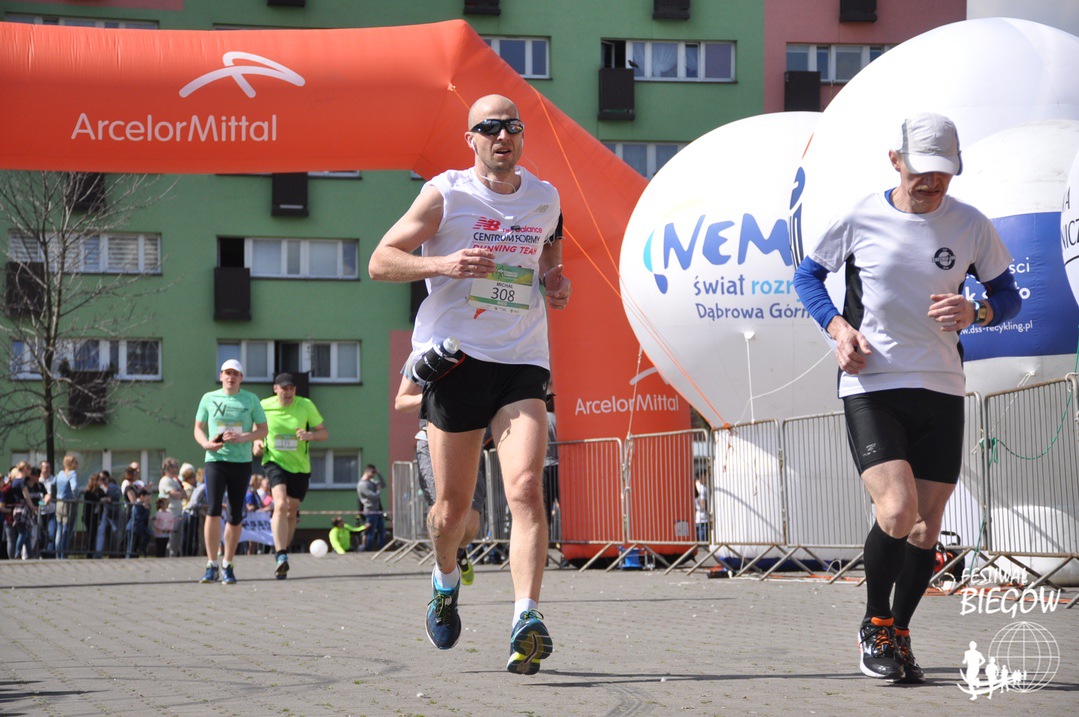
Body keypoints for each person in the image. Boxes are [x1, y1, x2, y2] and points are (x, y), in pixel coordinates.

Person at [792, 112, 1021, 684]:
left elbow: (1007, 295)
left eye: (943, 171)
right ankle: (874, 624)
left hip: (941, 385)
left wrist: (978, 311)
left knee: (925, 526)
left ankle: (899, 633)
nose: (932, 182)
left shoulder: (970, 224)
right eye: (921, 170)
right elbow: (807, 277)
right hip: (873, 383)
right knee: (896, 510)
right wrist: (837, 328)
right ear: (896, 161)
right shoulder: (859, 216)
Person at [368, 93, 570, 674]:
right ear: (472, 139)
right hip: (458, 360)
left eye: (513, 126)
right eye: (490, 127)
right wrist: (443, 264)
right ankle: (445, 578)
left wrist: (555, 281)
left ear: (522, 136)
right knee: (451, 513)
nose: (503, 136)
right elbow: (381, 261)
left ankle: (526, 618)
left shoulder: (546, 197)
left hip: (522, 359)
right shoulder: (446, 194)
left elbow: (550, 254)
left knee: (526, 487)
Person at [395, 370, 486, 587]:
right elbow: (400, 402)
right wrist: (429, 396)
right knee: (443, 515)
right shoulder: (422, 354)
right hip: (431, 441)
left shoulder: (481, 353)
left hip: (469, 441)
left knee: (470, 526)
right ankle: (444, 579)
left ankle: (458, 552)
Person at [193, 358, 268, 584]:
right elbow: (198, 428)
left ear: (241, 378)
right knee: (213, 509)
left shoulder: (250, 399)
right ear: (221, 375)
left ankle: (227, 563)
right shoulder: (209, 398)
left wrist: (244, 438)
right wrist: (207, 444)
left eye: (235, 374)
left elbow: (263, 430)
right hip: (215, 460)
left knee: (235, 514)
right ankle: (211, 564)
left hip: (241, 463)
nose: (231, 377)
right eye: (227, 373)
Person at [252, 372, 328, 579]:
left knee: (291, 511)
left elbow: (323, 432)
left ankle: (282, 554)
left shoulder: (305, 405)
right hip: (274, 461)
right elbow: (257, 430)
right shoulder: (264, 406)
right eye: (284, 388)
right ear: (275, 389)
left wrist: (310, 435)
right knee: (280, 505)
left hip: (299, 466)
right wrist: (257, 444)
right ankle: (281, 554)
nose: (288, 392)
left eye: (291, 389)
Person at [157, 457, 187, 557]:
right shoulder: (165, 480)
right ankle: (168, 558)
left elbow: (185, 495)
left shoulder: (175, 480)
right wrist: (180, 493)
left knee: (176, 540)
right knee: (170, 539)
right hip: (170, 514)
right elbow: (175, 494)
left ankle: (174, 558)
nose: (176, 468)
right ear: (168, 467)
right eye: (174, 466)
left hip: (178, 513)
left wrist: (180, 493)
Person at [54, 455, 80, 559]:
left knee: (59, 529)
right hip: (69, 504)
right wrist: (76, 497)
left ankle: (58, 554)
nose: (77, 464)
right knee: (67, 530)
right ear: (71, 463)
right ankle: (63, 554)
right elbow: (74, 487)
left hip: (59, 503)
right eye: (75, 462)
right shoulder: (72, 473)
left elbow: (53, 483)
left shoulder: (60, 473)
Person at [357, 465, 386, 552]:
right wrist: (378, 490)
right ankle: (368, 550)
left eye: (374, 472)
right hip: (370, 511)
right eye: (372, 472)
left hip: (377, 510)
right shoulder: (362, 484)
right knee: (371, 532)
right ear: (367, 471)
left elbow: (383, 484)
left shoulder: (372, 481)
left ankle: (381, 549)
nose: (373, 474)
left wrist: (379, 474)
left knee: (382, 531)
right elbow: (374, 497)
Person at [181, 467, 206, 557]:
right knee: (189, 538)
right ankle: (187, 556)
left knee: (194, 537)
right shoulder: (201, 488)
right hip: (190, 514)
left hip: (194, 514)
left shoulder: (199, 487)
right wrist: (204, 506)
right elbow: (193, 504)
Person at [81, 472, 105, 558]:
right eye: (99, 480)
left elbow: (105, 496)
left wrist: (105, 498)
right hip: (89, 516)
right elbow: (92, 499)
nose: (101, 482)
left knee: (94, 535)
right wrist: (101, 500)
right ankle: (89, 554)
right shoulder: (88, 491)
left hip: (97, 516)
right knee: (91, 535)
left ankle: (92, 552)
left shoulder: (100, 490)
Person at [126, 488, 153, 558]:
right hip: (133, 528)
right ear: (141, 496)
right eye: (146, 497)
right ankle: (128, 560)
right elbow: (139, 518)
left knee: (136, 548)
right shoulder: (137, 505)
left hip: (139, 528)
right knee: (131, 548)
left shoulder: (143, 505)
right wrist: (146, 510)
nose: (147, 499)